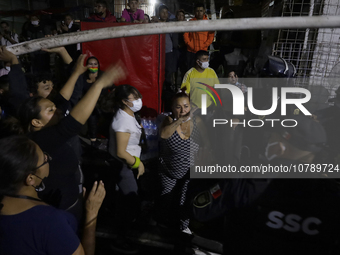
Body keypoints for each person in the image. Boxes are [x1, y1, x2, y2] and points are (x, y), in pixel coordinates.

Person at [15, 56, 125, 222]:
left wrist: (76, 73)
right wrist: (99, 85)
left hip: (71, 200)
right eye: (51, 110)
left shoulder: (47, 129)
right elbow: (73, 123)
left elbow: (61, 100)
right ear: (36, 122)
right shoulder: (40, 139)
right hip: (61, 211)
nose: (58, 111)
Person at [0, 135, 106, 255]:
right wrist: (92, 212)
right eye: (44, 160)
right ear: (30, 178)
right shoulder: (50, 222)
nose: (48, 158)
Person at [156, 89, 201, 233]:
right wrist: (181, 120)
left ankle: (184, 228)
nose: (183, 110)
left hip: (189, 171)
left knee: (184, 199)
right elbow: (163, 134)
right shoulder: (169, 120)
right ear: (172, 108)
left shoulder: (197, 122)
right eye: (178, 107)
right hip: (169, 171)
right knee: (165, 199)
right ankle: (161, 224)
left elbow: (207, 143)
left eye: (186, 106)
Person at [183, 3, 215, 71]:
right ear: (194, 11)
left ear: (204, 11)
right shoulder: (190, 22)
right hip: (191, 51)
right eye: (197, 11)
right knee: (190, 70)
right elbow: (186, 35)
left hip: (203, 51)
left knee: (202, 70)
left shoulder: (208, 23)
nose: (199, 12)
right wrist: (190, 45)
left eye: (201, 10)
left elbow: (211, 36)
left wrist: (204, 45)